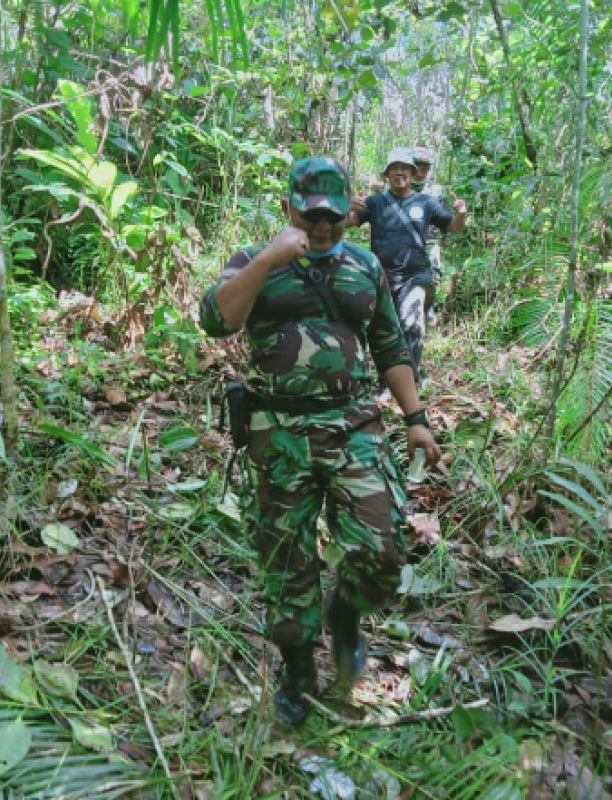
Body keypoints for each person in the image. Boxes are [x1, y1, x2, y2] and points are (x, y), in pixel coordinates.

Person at [198, 157, 442, 728]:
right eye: (312, 216)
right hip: (278, 431)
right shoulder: (257, 261)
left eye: (334, 215)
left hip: (354, 426)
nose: (324, 226)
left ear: (348, 208)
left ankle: (346, 612)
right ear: (290, 208)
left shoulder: (364, 265)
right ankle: (298, 669)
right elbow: (216, 320)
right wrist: (267, 259)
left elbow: (389, 346)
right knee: (287, 560)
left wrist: (416, 417)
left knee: (382, 550)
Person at [346, 147, 467, 388]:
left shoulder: (426, 203)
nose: (399, 173)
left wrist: (461, 214)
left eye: (405, 169)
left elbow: (455, 228)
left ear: (413, 173)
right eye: (394, 168)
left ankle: (409, 381)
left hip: (415, 275)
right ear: (386, 174)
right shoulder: (375, 202)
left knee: (411, 325)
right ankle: (386, 383)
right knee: (384, 331)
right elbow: (346, 223)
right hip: (382, 277)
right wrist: (343, 204)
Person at [410, 146, 446, 325]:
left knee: (433, 277)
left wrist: (443, 240)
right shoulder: (401, 188)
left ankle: (428, 308)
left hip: (430, 242)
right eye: (417, 167)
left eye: (424, 168)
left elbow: (445, 217)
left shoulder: (437, 191)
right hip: (406, 242)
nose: (420, 172)